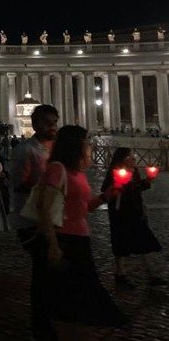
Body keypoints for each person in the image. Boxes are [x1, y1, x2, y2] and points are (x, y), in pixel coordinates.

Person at [38, 125, 129, 329]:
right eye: (85, 141)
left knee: (80, 298)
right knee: (72, 300)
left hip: (81, 239)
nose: (89, 146)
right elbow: (46, 209)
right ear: (74, 145)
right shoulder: (57, 169)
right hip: (65, 240)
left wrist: (107, 195)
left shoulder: (78, 173)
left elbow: (85, 207)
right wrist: (53, 245)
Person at [9, 104, 59, 337]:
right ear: (36, 124)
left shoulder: (59, 150)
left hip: (57, 219)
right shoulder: (24, 150)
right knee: (43, 270)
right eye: (49, 123)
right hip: (33, 221)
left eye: (55, 122)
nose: (53, 127)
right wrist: (43, 185)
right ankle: (42, 319)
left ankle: (52, 314)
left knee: (52, 271)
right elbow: (19, 185)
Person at [102, 148, 165, 287]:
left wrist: (148, 181)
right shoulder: (114, 171)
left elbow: (136, 188)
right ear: (123, 159)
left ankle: (153, 273)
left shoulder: (134, 171)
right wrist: (118, 187)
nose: (134, 159)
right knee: (120, 242)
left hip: (135, 211)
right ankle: (120, 274)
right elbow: (106, 190)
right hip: (120, 213)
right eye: (131, 157)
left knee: (145, 240)